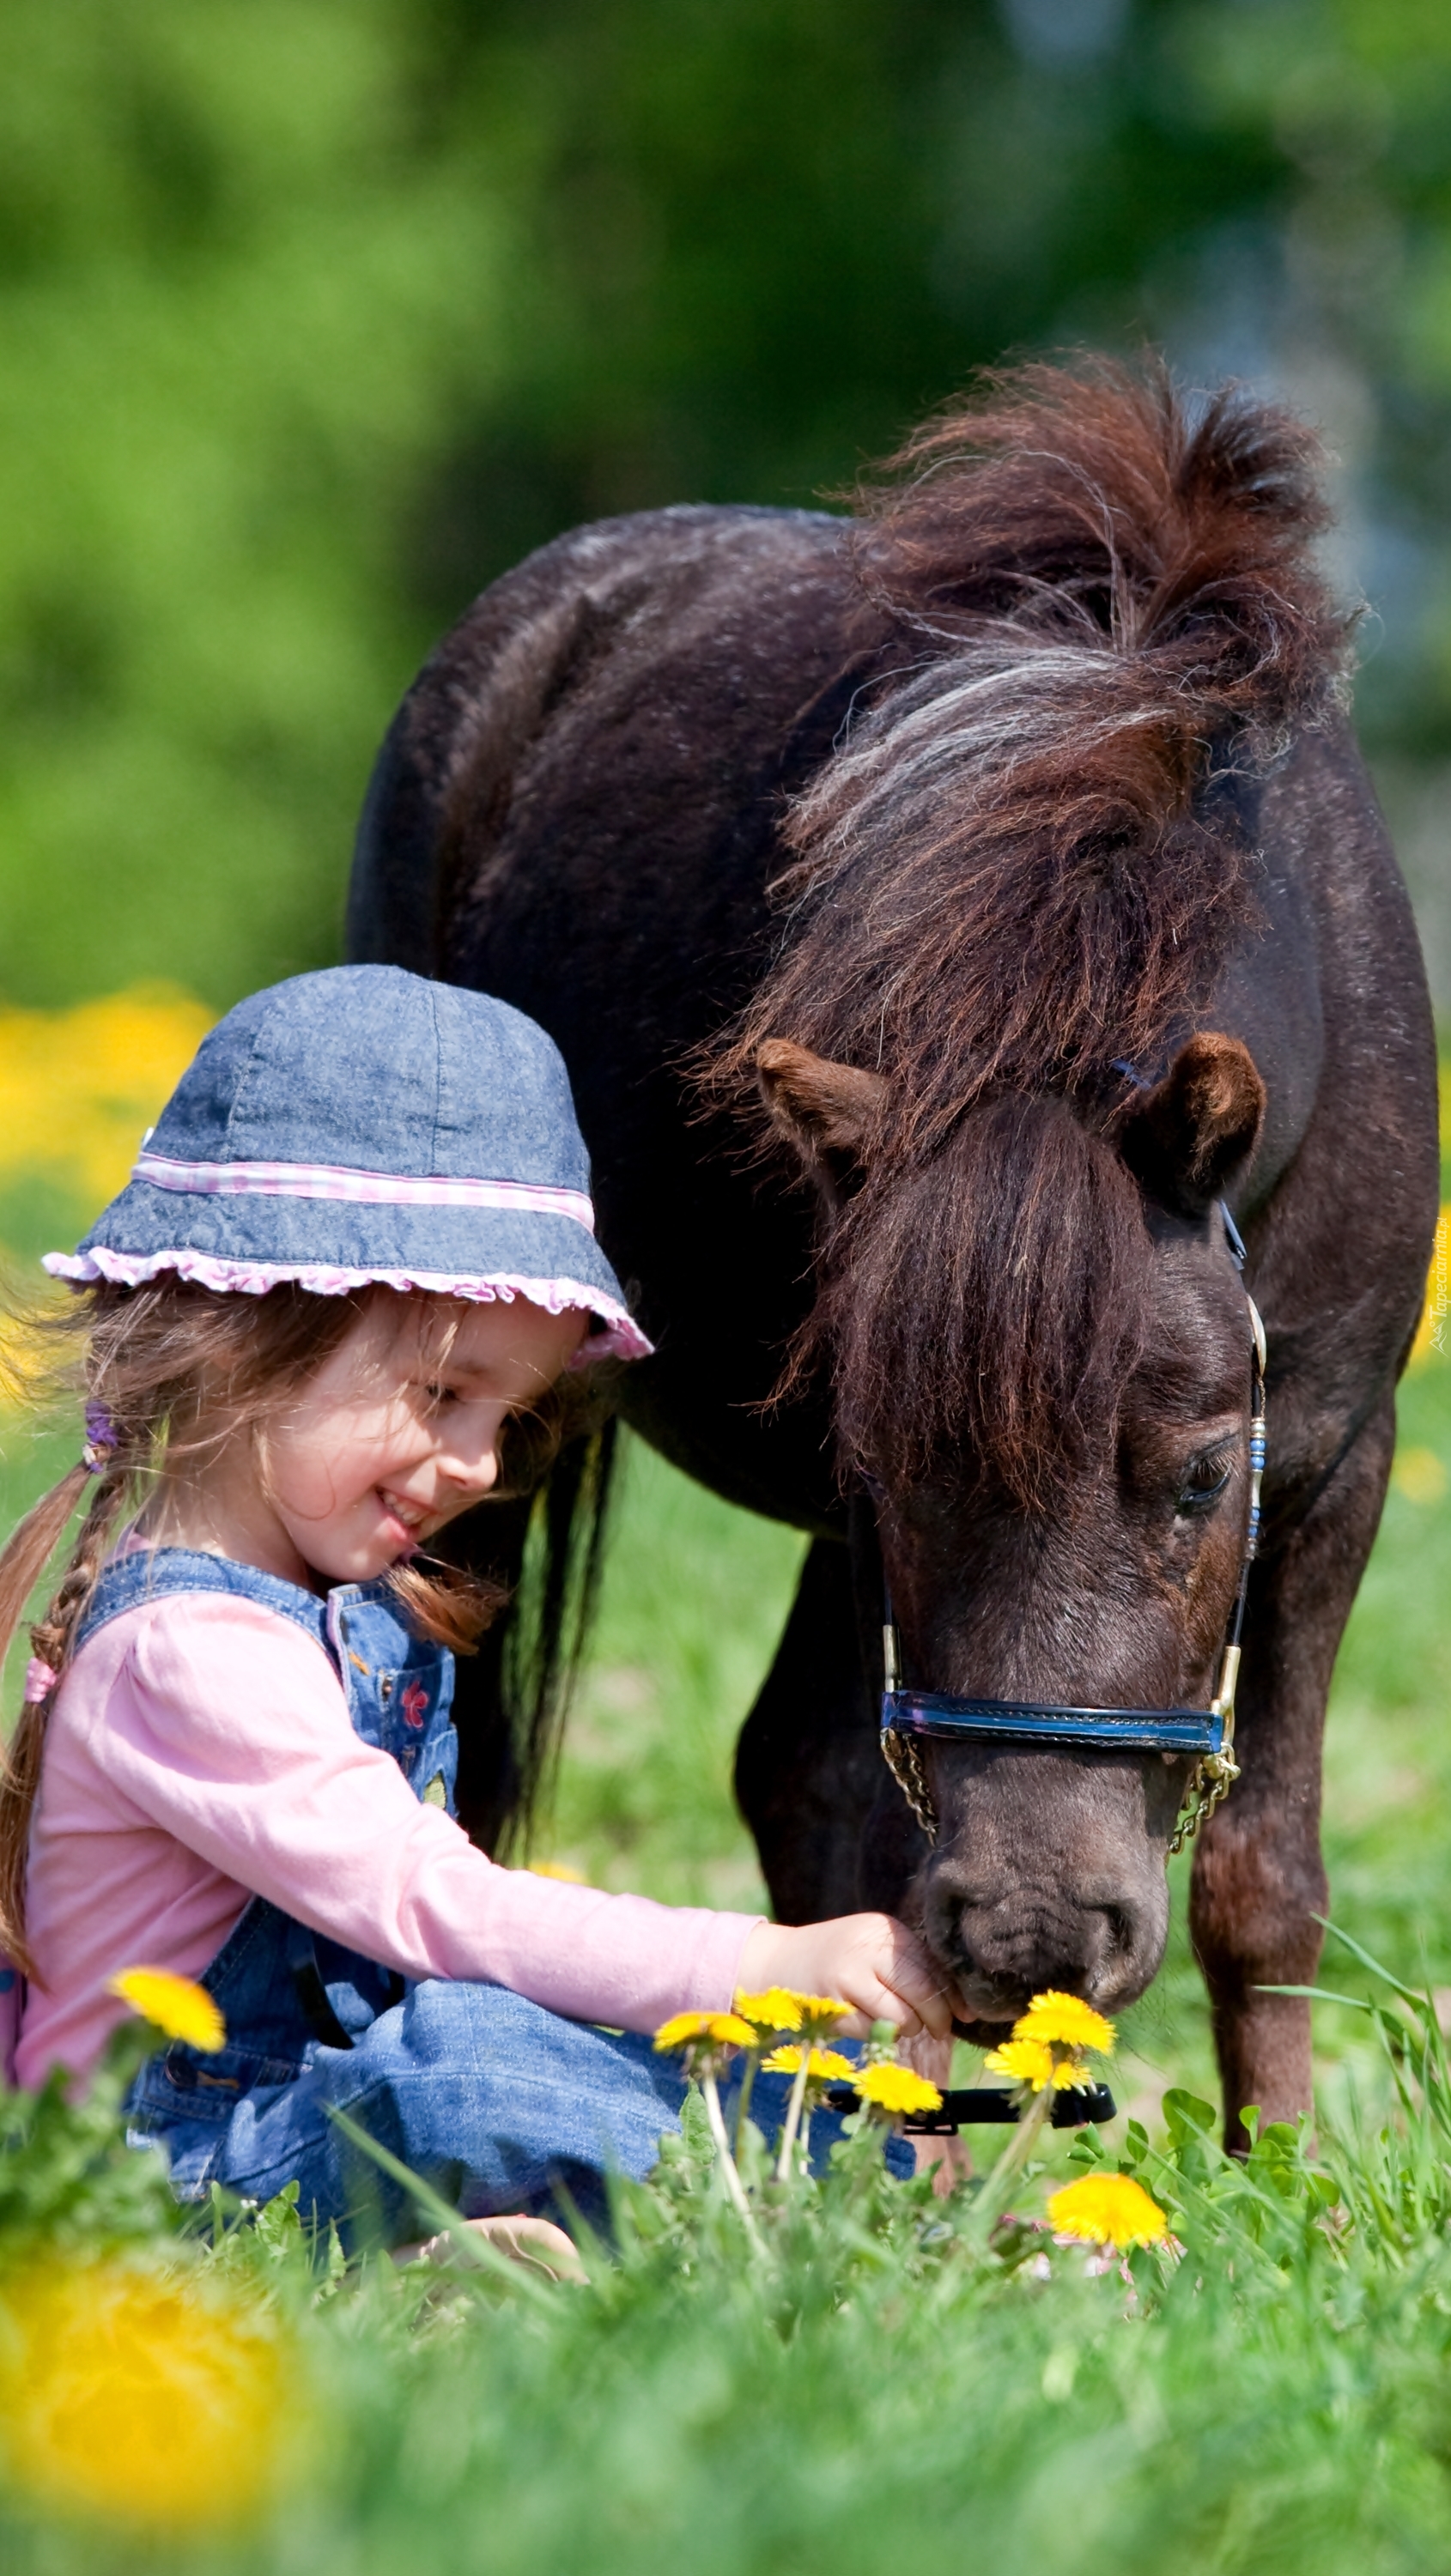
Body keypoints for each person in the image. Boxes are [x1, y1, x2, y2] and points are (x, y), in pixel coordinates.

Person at [0, 967, 950, 2246]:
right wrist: (763, 1965)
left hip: (296, 2117)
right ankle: (870, 2200)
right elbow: (433, 1905)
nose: (484, 1464)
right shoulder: (185, 1652)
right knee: (462, 2066)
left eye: (508, 1415)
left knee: (495, 2043)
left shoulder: (339, 1604)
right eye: (444, 1393)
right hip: (154, 2177)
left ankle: (832, 2169)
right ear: (246, 1330)